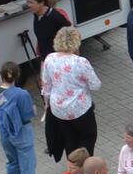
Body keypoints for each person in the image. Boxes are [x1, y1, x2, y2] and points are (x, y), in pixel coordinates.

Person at [40, 26, 102, 162]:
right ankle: (85, 167)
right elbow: (96, 85)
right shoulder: (80, 62)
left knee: (70, 139)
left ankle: (73, 167)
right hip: (79, 108)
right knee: (88, 137)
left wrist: (46, 104)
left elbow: (46, 85)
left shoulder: (49, 59)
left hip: (59, 110)